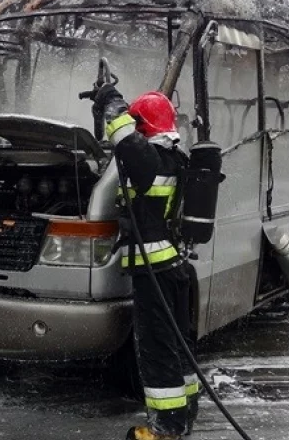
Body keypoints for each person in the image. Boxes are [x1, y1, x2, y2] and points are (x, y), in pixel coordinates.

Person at [91, 85, 199, 440]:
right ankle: (184, 416)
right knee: (178, 343)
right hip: (173, 266)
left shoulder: (150, 159)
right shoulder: (174, 155)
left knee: (157, 347)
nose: (133, 128)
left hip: (154, 269)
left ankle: (166, 428)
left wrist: (112, 103)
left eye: (139, 123)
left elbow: (125, 138)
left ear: (145, 126)